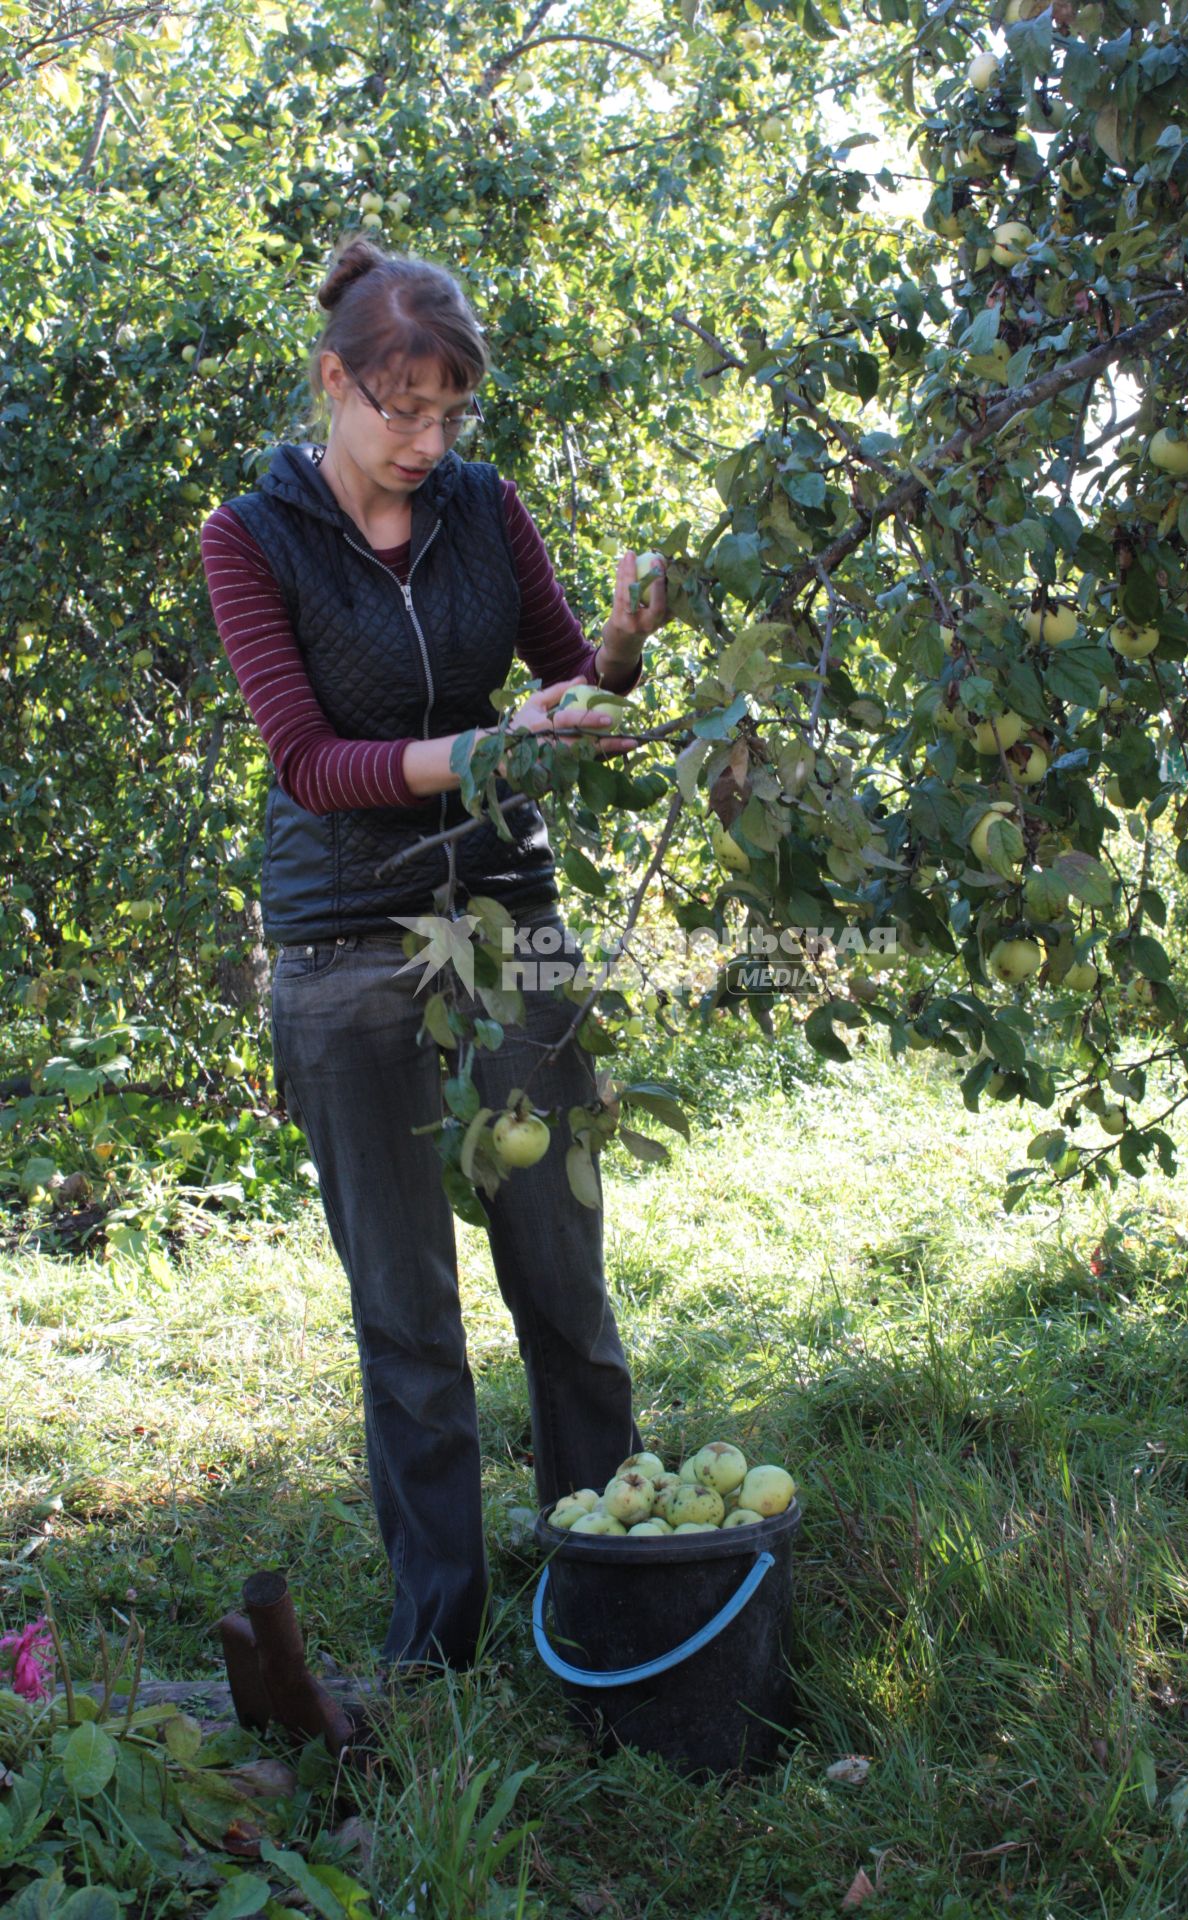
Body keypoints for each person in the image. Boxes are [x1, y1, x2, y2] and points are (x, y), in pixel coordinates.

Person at [199, 235, 669, 1675]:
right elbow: (310, 758)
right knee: (408, 1320)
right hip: (344, 938)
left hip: (503, 918)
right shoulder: (251, 536)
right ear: (335, 382)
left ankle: (606, 1583)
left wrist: (623, 646)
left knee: (563, 1279)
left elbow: (560, 680)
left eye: (450, 412)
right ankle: (438, 1651)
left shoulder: (481, 508)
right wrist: (480, 747)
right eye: (399, 407)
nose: (426, 440)